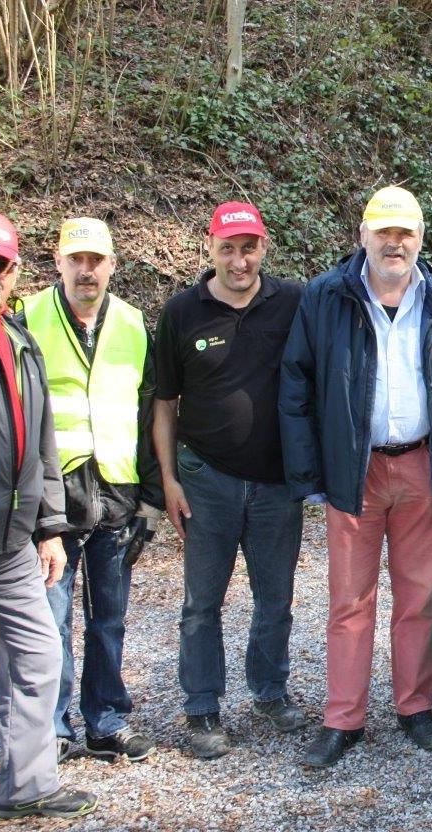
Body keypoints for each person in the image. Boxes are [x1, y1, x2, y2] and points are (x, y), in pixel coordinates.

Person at [279, 186, 432, 769]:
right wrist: (310, 473)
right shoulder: (326, 297)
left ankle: (415, 708)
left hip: (423, 465)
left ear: (421, 239)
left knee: (418, 598)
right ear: (363, 236)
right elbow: (295, 386)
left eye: (406, 233)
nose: (395, 243)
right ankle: (343, 718)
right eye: (384, 232)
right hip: (355, 469)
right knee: (350, 601)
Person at [0, 209, 96, 819]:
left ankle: (27, 787)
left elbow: (42, 440)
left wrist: (49, 526)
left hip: (8, 540)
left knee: (39, 653)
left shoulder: (16, 338)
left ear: (14, 272)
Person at [153, 202, 305, 760]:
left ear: (264, 247)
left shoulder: (293, 302)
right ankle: (202, 708)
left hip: (277, 484)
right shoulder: (182, 312)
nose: (239, 260)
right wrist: (168, 478)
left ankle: (269, 690)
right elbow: (165, 403)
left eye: (249, 247)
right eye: (228, 248)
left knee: (276, 598)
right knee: (201, 601)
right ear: (210, 248)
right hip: (206, 480)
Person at [19, 217, 161, 764]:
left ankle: (106, 721)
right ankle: (53, 729)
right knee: (50, 619)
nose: (86, 270)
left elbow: (150, 413)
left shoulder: (131, 323)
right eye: (76, 260)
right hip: (52, 497)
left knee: (110, 617)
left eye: (96, 260)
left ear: (112, 265)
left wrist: (150, 497)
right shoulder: (28, 318)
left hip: (117, 492)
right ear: (57, 261)